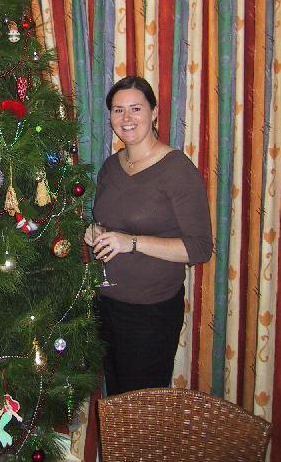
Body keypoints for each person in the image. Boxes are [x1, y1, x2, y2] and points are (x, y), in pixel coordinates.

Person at [84, 76, 212, 395]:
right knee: (116, 399)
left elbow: (200, 248)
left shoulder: (176, 168)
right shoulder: (110, 167)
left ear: (154, 113)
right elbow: (106, 222)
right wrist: (94, 231)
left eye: (136, 108)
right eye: (118, 110)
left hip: (150, 313)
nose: (126, 118)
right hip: (106, 304)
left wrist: (132, 242)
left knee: (141, 408)